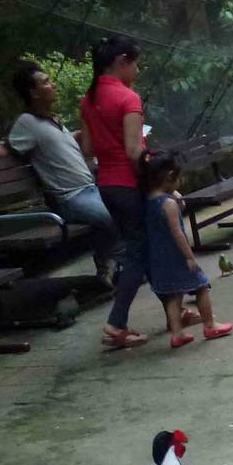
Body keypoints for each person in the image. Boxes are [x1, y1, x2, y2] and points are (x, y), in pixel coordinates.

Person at [0, 61, 120, 294]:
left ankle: (117, 265)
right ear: (33, 92)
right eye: (46, 82)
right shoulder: (27, 122)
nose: (53, 84)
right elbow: (9, 147)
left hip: (90, 189)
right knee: (112, 215)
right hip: (70, 198)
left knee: (128, 205)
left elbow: (62, 145)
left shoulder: (53, 120)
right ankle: (109, 267)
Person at [79, 35, 154, 350]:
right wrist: (156, 185)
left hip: (107, 185)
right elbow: (135, 151)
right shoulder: (128, 98)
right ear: (122, 61)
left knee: (142, 248)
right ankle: (116, 322)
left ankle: (177, 309)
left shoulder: (88, 99)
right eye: (135, 63)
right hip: (129, 184)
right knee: (138, 253)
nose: (137, 69)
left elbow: (86, 148)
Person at [140, 151, 232, 348]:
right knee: (201, 286)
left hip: (159, 257)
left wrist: (174, 195)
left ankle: (177, 334)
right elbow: (177, 233)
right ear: (169, 178)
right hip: (177, 255)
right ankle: (210, 325)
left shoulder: (148, 201)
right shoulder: (168, 204)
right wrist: (189, 257)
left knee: (174, 295)